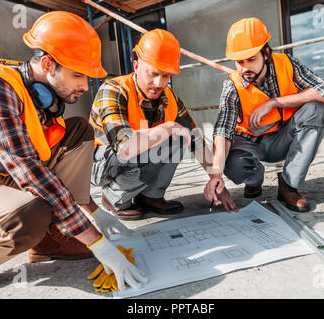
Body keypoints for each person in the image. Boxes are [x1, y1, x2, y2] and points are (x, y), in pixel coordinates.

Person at [0, 11, 146, 294]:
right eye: (78, 75)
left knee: (77, 131)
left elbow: (44, 158)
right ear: (48, 64)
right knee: (29, 214)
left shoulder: (38, 99)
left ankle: (49, 238)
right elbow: (29, 170)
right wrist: (95, 240)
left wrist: (93, 210)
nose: (83, 86)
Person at [90, 29, 238, 220]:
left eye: (166, 76)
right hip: (101, 162)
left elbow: (195, 140)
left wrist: (216, 178)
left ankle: (150, 197)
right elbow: (124, 148)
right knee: (152, 142)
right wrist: (168, 128)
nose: (159, 83)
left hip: (133, 156)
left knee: (182, 131)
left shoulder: (169, 98)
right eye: (152, 74)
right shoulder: (112, 90)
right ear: (136, 66)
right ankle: (114, 197)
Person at [205, 17, 324, 212]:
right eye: (239, 61)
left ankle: (288, 186)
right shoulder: (232, 85)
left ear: (266, 53)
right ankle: (254, 180)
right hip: (249, 144)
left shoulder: (286, 64)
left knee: (317, 110)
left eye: (251, 59)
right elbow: (223, 129)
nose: (245, 68)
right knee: (234, 166)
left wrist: (274, 102)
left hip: (282, 139)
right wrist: (216, 175)